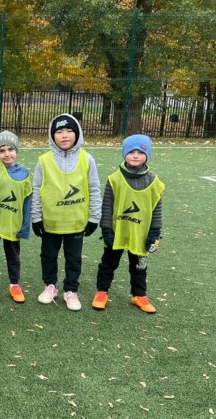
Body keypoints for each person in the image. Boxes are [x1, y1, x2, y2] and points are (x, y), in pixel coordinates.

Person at [31, 113, 101, 311]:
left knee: (73, 258)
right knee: (48, 256)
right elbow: (36, 189)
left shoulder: (87, 159)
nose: (64, 135)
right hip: (50, 221)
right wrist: (36, 217)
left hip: (76, 221)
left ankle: (71, 290)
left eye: (69, 131)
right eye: (59, 131)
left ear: (77, 134)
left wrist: (94, 217)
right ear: (52, 136)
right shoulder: (43, 160)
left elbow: (94, 188)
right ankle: (50, 286)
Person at [92, 134, 164, 313]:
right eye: (131, 151)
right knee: (108, 264)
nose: (135, 155)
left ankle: (139, 295)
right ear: (124, 154)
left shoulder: (154, 181)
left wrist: (155, 234)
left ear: (147, 155)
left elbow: (157, 210)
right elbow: (107, 205)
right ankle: (102, 292)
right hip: (117, 232)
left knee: (139, 266)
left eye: (140, 152)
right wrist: (106, 229)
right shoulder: (114, 178)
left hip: (141, 234)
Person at [0, 131, 32, 304]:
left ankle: (14, 284)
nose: (7, 154)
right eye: (2, 150)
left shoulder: (25, 174)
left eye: (10, 149)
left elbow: (27, 203)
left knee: (14, 256)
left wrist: (25, 227)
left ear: (16, 151)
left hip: (13, 226)